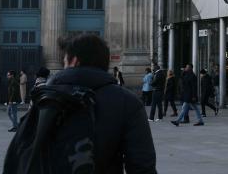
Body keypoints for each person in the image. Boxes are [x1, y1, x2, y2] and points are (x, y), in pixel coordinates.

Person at [45, 34, 156, 172]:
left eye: (65, 61)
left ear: (74, 61)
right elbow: (142, 166)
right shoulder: (127, 102)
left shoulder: (45, 98)